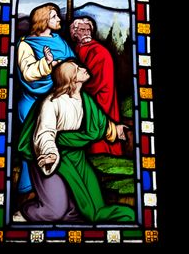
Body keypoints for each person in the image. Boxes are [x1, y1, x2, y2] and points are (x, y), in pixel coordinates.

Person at [17, 60, 134, 223]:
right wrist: (49, 153)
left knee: (86, 207)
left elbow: (99, 122)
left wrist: (115, 130)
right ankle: (23, 213)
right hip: (51, 157)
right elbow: (45, 133)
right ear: (71, 79)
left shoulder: (85, 99)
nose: (83, 69)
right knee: (54, 212)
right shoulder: (51, 103)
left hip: (77, 158)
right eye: (78, 69)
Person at [16, 3, 75, 194]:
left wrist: (63, 67)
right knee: (32, 146)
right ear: (43, 20)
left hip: (59, 100)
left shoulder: (60, 40)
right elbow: (28, 73)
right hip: (33, 102)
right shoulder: (26, 44)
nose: (59, 19)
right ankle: (29, 187)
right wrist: (47, 64)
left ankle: (58, 189)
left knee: (58, 143)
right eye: (54, 16)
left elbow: (71, 65)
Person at [70, 17, 122, 155]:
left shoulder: (98, 51)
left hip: (100, 95)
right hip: (91, 95)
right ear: (75, 33)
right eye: (82, 29)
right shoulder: (79, 47)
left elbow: (92, 80)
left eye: (88, 29)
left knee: (97, 126)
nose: (87, 32)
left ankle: (101, 154)